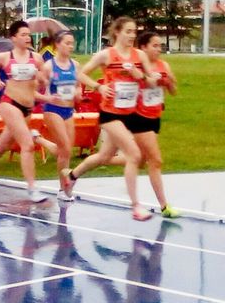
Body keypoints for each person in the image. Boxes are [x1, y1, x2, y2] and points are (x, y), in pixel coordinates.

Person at [60, 16, 157, 221]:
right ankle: (136, 206)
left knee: (104, 157)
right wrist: (99, 86)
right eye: (128, 31)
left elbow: (152, 83)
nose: (132, 36)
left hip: (130, 113)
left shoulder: (139, 55)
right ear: (117, 33)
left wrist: (142, 76)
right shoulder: (106, 55)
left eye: (134, 32)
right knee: (134, 154)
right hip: (110, 114)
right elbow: (80, 74)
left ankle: (70, 177)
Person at [0, 21, 48, 202]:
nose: (27, 38)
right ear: (14, 38)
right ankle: (32, 188)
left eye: (28, 34)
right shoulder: (4, 57)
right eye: (23, 35)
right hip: (9, 104)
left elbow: (43, 80)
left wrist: (43, 81)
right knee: (27, 145)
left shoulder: (37, 58)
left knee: (3, 144)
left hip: (27, 107)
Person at [126, 31, 180, 218]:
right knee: (156, 160)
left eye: (160, 46)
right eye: (154, 46)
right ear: (143, 47)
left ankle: (85, 167)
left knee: (139, 160)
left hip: (155, 118)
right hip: (139, 118)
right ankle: (164, 206)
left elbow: (173, 90)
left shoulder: (163, 65)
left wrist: (168, 82)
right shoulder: (137, 66)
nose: (159, 49)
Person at [37, 30, 86, 202]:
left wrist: (78, 93)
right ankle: (63, 188)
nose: (70, 46)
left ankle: (40, 140)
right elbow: (34, 90)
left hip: (69, 111)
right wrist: (46, 97)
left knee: (66, 151)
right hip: (52, 109)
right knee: (65, 147)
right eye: (67, 43)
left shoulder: (75, 65)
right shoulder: (49, 66)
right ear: (57, 45)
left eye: (72, 43)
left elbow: (79, 85)